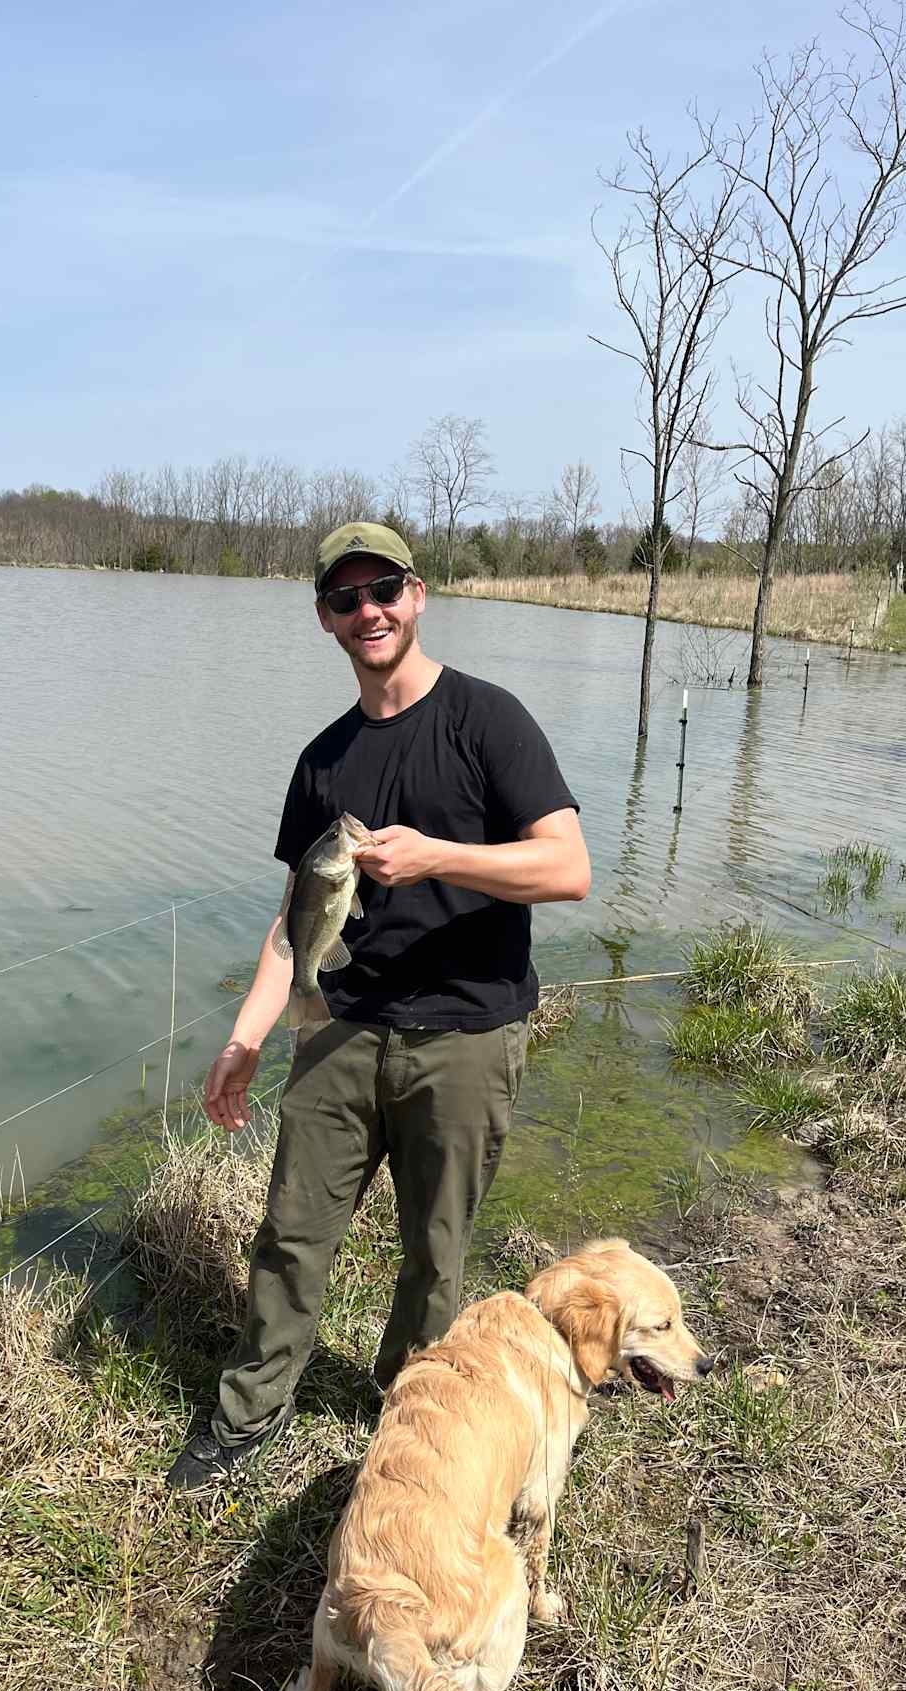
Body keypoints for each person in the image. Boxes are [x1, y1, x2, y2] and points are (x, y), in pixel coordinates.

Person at [166, 520, 590, 1492]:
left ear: (418, 594)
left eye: (383, 589)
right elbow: (297, 917)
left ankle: (407, 1412)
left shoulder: (488, 721)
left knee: (433, 1256)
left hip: (467, 1034)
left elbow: (568, 868)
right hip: (341, 1031)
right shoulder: (322, 762)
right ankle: (247, 1415)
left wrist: (438, 855)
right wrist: (244, 1037)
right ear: (323, 618)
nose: (368, 610)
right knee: (288, 1233)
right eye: (345, 598)